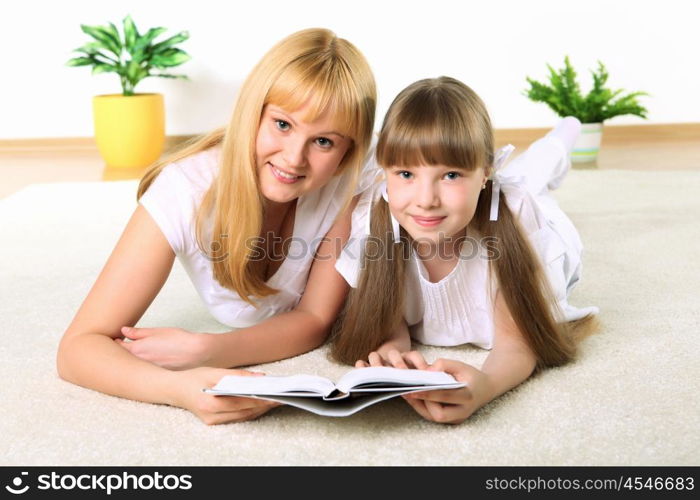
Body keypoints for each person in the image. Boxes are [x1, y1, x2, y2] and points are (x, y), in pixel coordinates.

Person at [57, 28, 377, 425]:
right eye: (282, 124)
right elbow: (77, 349)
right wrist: (180, 388)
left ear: (348, 151)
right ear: (252, 112)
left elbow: (315, 320)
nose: (294, 158)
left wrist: (209, 350)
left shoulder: (352, 180)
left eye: (324, 142)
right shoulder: (185, 189)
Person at [330, 76, 599, 424]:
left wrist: (484, 387)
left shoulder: (517, 217)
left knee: (535, 175)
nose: (426, 200)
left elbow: (516, 343)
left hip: (528, 218)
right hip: (479, 200)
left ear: (485, 172)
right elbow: (391, 318)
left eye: (451, 175)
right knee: (525, 173)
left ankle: (563, 136)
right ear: (385, 172)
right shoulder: (375, 220)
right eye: (406, 174)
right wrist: (393, 350)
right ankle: (546, 147)